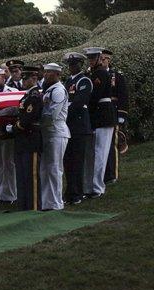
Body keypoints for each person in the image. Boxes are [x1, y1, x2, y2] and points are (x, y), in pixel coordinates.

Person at [83, 47, 116, 199]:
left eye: (93, 57)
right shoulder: (90, 74)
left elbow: (95, 95)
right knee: (91, 153)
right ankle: (89, 187)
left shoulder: (102, 73)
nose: (90, 60)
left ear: (99, 58)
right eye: (88, 57)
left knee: (100, 153)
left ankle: (98, 187)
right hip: (95, 116)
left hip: (103, 115)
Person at [9, 66, 43, 211]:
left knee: (31, 176)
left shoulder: (35, 96)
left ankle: (34, 206)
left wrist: (14, 127)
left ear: (34, 79)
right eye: (22, 78)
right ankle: (23, 206)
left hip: (31, 139)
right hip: (22, 140)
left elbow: (29, 117)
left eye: (26, 78)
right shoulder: (26, 96)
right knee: (22, 175)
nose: (23, 81)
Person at [62, 52, 93, 205]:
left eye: (74, 64)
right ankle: (70, 192)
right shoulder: (68, 81)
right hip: (68, 126)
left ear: (80, 65)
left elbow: (79, 102)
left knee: (77, 161)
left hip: (79, 125)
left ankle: (77, 193)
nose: (72, 67)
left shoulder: (84, 80)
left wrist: (64, 115)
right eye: (70, 65)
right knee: (68, 161)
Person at [40, 63, 70, 211]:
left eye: (49, 73)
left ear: (57, 74)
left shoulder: (58, 91)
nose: (45, 75)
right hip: (48, 133)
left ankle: (57, 203)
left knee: (54, 168)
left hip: (56, 132)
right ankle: (47, 202)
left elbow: (52, 114)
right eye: (45, 72)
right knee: (45, 169)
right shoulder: (49, 90)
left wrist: (35, 121)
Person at [0, 67, 18, 207]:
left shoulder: (11, 92)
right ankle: (1, 195)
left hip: (7, 133)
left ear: (4, 77)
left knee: (9, 164)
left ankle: (12, 194)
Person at [101, 49, 128, 184]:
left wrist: (121, 115)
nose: (102, 61)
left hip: (113, 112)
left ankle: (112, 174)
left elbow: (123, 96)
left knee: (112, 145)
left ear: (109, 60)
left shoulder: (116, 76)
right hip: (100, 114)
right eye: (101, 58)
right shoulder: (95, 75)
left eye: (104, 58)